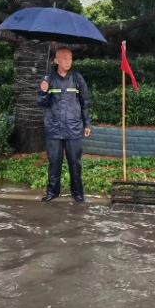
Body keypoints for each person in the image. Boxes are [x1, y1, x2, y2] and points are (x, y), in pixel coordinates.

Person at [37, 46, 91, 203]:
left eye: (70, 58)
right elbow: (41, 103)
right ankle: (52, 192)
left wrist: (87, 124)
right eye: (65, 58)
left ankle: (77, 193)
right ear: (56, 60)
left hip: (73, 127)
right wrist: (43, 92)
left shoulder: (77, 78)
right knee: (54, 162)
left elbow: (85, 102)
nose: (68, 61)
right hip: (53, 128)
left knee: (75, 162)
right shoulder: (48, 79)